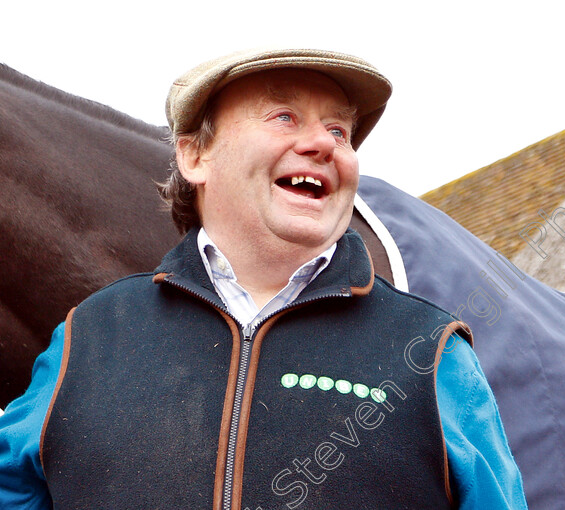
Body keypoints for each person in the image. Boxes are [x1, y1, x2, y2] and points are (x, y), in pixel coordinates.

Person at [0, 48, 527, 509]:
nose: (325, 144)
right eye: (284, 116)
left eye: (340, 130)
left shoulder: (432, 352)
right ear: (194, 154)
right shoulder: (86, 338)